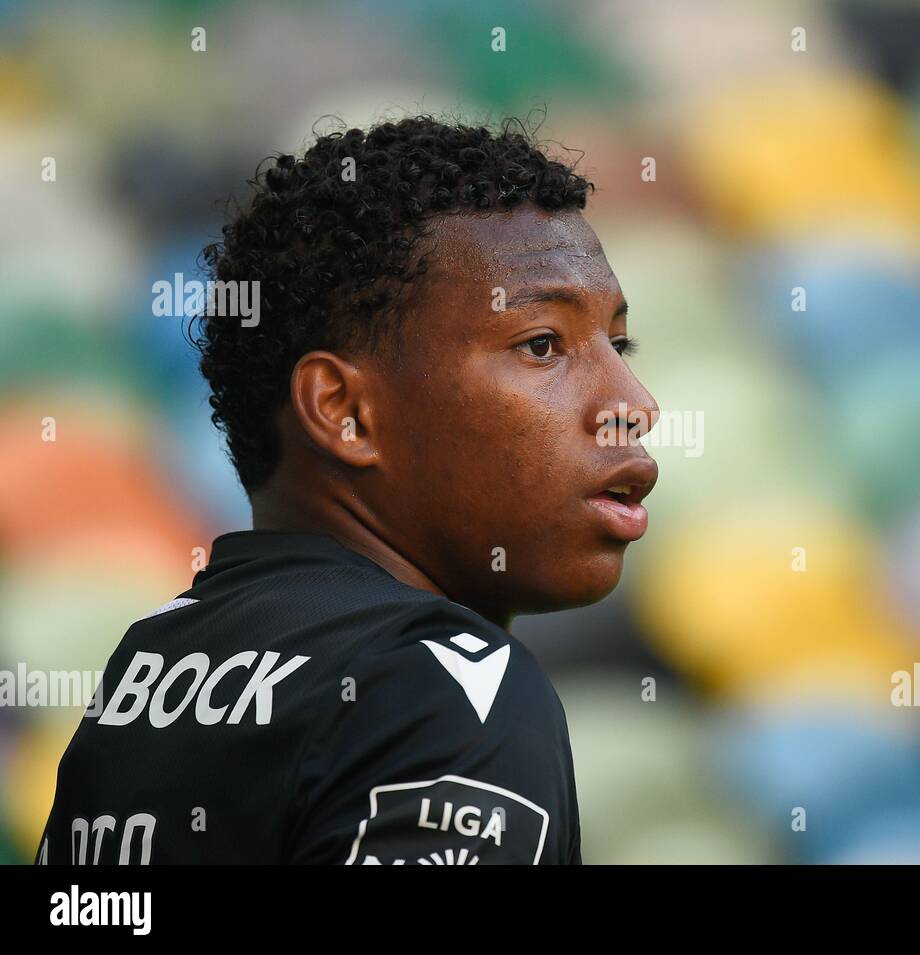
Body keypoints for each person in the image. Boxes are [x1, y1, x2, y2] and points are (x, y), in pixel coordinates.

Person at [37, 116, 658, 864]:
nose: (633, 403)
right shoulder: (447, 684)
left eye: (618, 345)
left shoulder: (148, 667)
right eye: (541, 344)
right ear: (344, 410)